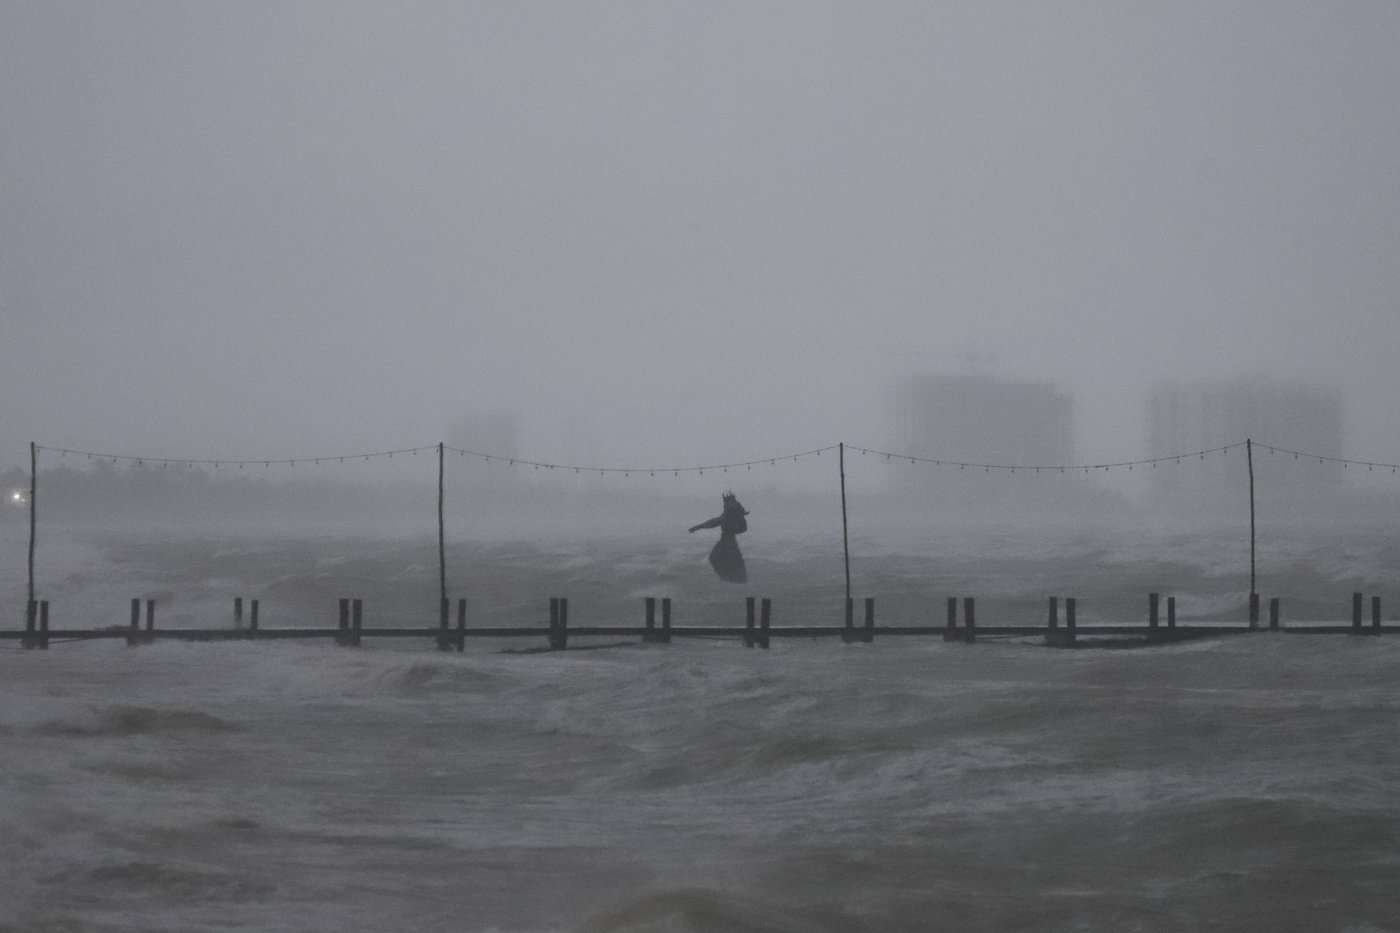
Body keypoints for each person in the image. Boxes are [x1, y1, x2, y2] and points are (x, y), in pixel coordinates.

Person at [688, 492, 749, 583]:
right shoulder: (736, 514)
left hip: (726, 541)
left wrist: (697, 527)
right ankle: (734, 580)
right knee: (735, 563)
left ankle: (726, 578)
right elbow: (743, 529)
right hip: (732, 541)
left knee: (714, 558)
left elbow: (713, 522)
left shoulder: (727, 515)